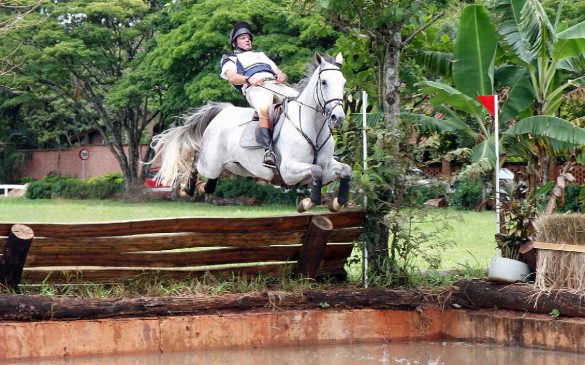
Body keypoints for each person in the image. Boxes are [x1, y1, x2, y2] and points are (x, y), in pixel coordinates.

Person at [220, 21, 298, 168]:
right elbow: (232, 77)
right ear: (235, 43)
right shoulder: (230, 59)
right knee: (264, 108)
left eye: (248, 37)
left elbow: (278, 71)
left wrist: (282, 76)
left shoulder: (261, 55)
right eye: (242, 38)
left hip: (277, 85)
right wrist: (249, 79)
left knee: (301, 102)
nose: (247, 39)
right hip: (255, 88)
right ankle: (269, 152)